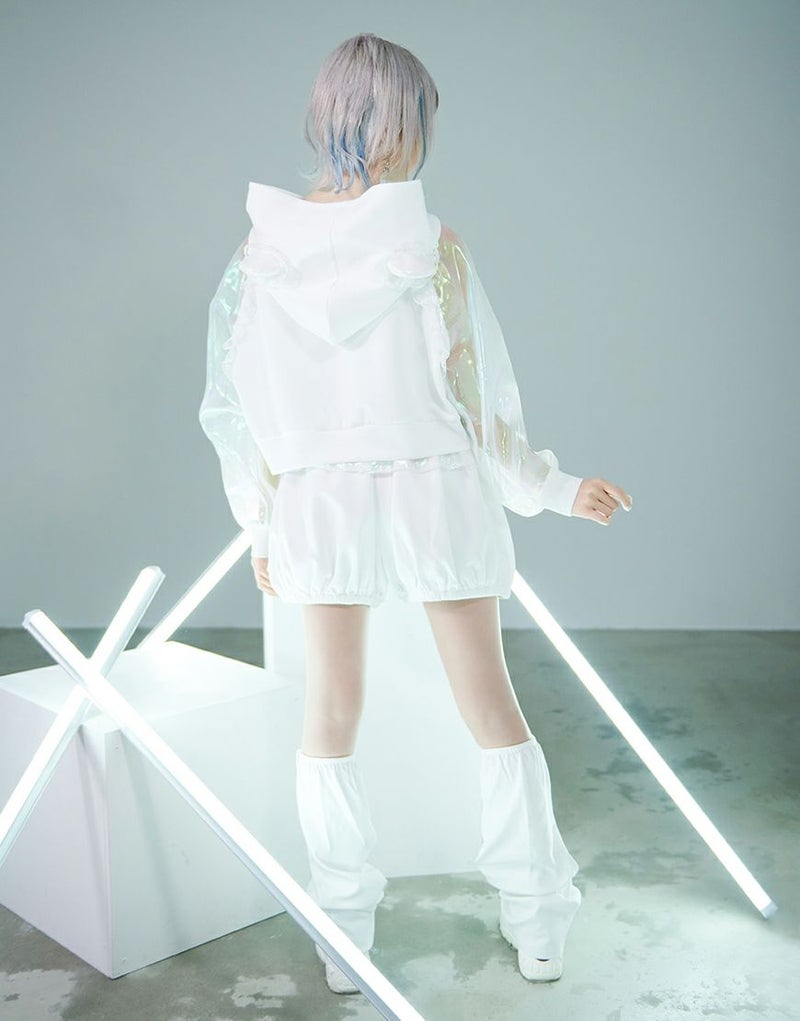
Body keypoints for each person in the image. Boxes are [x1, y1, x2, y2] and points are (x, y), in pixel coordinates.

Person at [199, 32, 633, 995]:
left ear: (329, 118)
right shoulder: (431, 246)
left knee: (329, 712)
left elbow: (239, 404)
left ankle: (342, 933)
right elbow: (478, 398)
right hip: (435, 484)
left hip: (320, 497)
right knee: (490, 702)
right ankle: (538, 917)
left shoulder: (260, 254)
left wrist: (263, 520)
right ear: (405, 123)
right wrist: (552, 487)